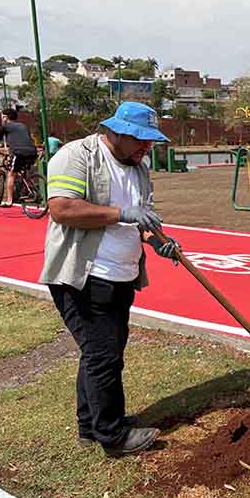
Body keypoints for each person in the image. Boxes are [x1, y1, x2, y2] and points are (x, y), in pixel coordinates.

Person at [40, 101, 180, 457]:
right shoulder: (77, 157)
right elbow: (63, 208)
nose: (147, 147)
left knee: (102, 352)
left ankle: (90, 425)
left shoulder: (139, 167)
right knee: (104, 355)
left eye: (150, 141)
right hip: (83, 275)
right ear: (115, 132)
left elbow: (142, 221)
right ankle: (112, 435)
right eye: (140, 140)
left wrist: (157, 240)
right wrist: (123, 213)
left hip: (122, 275)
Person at [0, 108, 38, 207]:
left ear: (6, 117)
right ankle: (28, 190)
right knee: (23, 172)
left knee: (11, 174)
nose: (2, 119)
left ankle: (9, 200)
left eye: (2, 117)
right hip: (32, 152)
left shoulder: (6, 126)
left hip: (19, 152)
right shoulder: (23, 126)